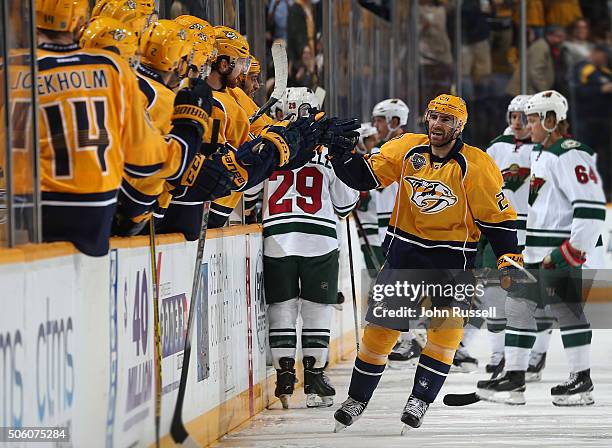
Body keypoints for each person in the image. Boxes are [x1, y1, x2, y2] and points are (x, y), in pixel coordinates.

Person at [327, 94, 523, 431]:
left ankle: (420, 399)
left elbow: (497, 219)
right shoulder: (406, 148)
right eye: (433, 117)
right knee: (379, 333)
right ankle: (358, 398)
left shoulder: (475, 165)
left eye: (446, 120)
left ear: (459, 126)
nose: (437, 125)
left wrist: (509, 258)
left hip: (453, 260)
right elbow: (364, 178)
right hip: (406, 253)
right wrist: (339, 153)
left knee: (445, 336)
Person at [35, 0, 213, 256]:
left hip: (23, 215)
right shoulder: (113, 78)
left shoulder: (11, 67)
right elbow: (150, 164)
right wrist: (190, 126)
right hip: (91, 216)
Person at [477, 90, 604, 406]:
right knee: (518, 309)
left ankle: (581, 380)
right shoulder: (542, 153)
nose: (527, 125)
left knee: (567, 312)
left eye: (533, 119)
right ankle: (514, 377)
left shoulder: (570, 153)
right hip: (533, 249)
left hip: (557, 250)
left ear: (551, 120)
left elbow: (590, 208)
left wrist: (572, 251)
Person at [262, 87, 359, 409]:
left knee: (282, 309)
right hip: (319, 240)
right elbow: (346, 205)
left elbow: (248, 198)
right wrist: (346, 160)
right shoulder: (327, 153)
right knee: (316, 308)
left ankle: (284, 374)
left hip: (275, 239)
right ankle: (315, 376)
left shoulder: (266, 147)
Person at [478, 94, 535, 376]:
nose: (517, 122)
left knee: (525, 298)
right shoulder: (496, 148)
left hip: (532, 232)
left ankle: (530, 355)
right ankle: (497, 353)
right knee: (493, 296)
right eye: (513, 116)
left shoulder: (541, 148)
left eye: (524, 117)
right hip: (500, 232)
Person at [507, 25, 566, 96]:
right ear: (549, 35)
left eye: (562, 37)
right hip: (523, 92)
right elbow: (535, 72)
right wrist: (545, 92)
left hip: (529, 92)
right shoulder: (541, 47)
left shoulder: (547, 47)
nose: (561, 40)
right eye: (558, 37)